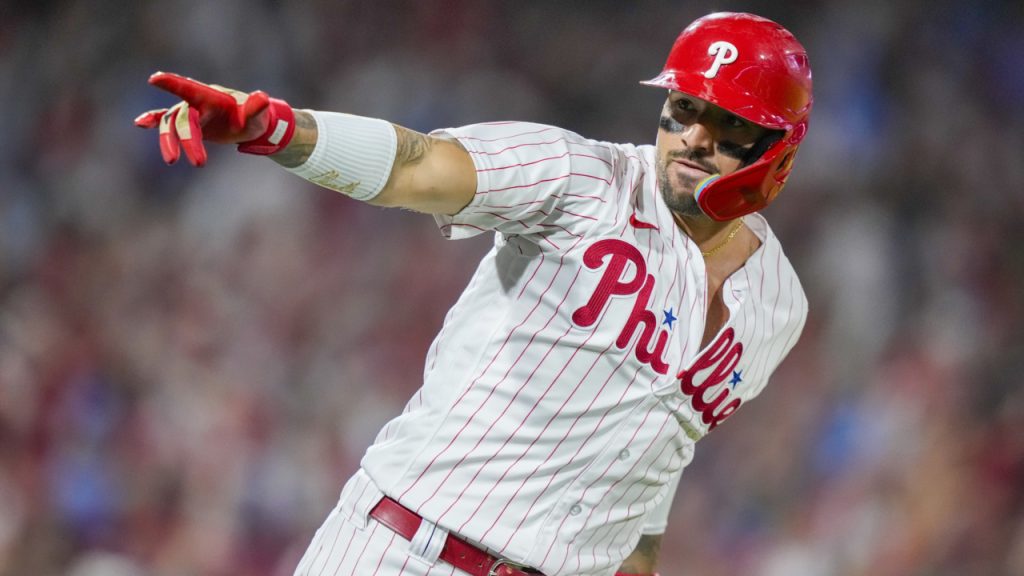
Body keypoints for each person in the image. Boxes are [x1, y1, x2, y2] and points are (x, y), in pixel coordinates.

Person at [135, 11, 812, 576]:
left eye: (727, 124)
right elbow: (420, 163)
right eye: (683, 108)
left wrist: (638, 561)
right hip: (408, 551)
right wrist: (281, 131)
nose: (693, 137)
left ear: (778, 148)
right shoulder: (580, 179)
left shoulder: (779, 306)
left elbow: (663, 438)